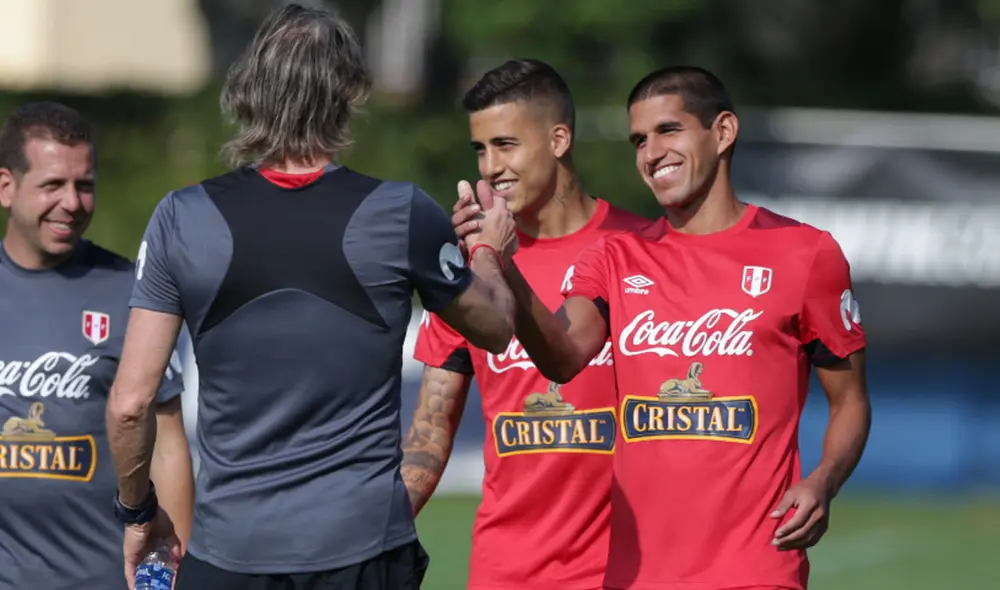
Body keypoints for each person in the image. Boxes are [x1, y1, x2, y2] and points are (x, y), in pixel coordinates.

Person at [104, 4, 519, 590]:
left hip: (229, 554)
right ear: (350, 91)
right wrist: (488, 251)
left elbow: (130, 403)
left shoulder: (182, 217)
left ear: (247, 88)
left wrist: (137, 513)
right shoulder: (400, 213)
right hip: (363, 551)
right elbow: (498, 326)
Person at [451, 66, 872, 590]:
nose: (650, 153)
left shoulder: (806, 254)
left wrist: (823, 481)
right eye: (638, 140)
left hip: (757, 567)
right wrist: (504, 263)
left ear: (722, 132)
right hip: (634, 575)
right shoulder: (615, 256)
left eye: (667, 131)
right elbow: (561, 357)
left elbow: (850, 400)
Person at [403, 59, 650, 590]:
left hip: (629, 572)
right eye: (480, 149)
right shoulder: (470, 270)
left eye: (506, 144)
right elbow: (430, 429)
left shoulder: (645, 251)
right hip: (505, 573)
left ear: (559, 139)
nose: (490, 167)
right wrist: (374, 532)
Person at [0, 101, 194, 590]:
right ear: (6, 187)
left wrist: (170, 570)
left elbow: (168, 445)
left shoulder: (134, 291)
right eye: (52, 185)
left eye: (84, 186)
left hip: (103, 578)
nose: (72, 202)